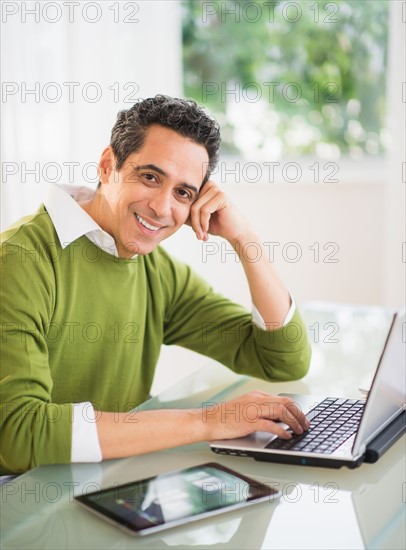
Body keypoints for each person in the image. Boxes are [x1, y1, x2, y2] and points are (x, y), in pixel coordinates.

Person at [0, 95, 311, 475]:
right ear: (107, 166)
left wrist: (245, 240)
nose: (163, 209)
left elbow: (283, 360)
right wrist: (207, 422)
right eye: (150, 177)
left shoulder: (156, 270)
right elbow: (18, 435)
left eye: (183, 192)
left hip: (115, 484)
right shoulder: (19, 260)